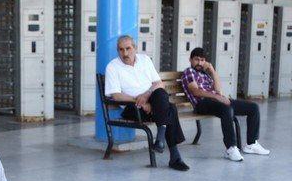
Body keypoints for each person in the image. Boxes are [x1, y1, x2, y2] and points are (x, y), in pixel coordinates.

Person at [105, 35, 189, 171]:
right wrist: (141, 102)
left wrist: (146, 95)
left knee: (160, 93)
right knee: (171, 108)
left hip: (152, 101)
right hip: (131, 108)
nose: (125, 53)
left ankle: (161, 139)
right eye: (121, 50)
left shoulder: (145, 60)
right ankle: (174, 156)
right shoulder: (112, 67)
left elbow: (158, 83)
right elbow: (116, 95)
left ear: (135, 48)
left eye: (128, 48)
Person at [181, 47, 270, 162]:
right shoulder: (189, 72)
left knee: (253, 108)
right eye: (196, 59)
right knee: (226, 110)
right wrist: (217, 97)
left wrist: (212, 70)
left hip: (217, 101)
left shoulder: (205, 74)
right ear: (190, 60)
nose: (199, 63)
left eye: (202, 60)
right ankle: (231, 148)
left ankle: (251, 144)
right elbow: (195, 91)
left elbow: (218, 89)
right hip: (202, 103)